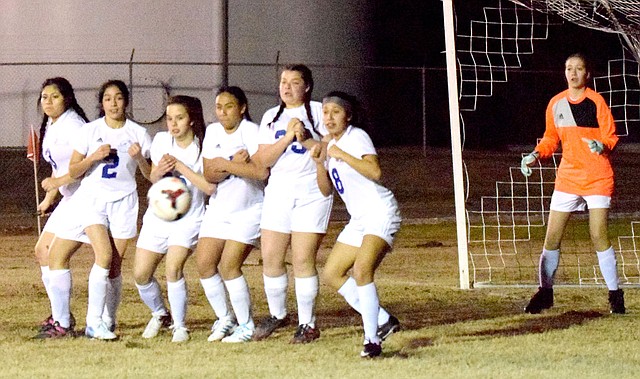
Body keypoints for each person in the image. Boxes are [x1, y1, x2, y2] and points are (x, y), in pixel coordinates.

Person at [46, 79, 153, 339]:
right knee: (103, 256)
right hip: (93, 200)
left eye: (118, 98)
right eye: (107, 99)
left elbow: (151, 175)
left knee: (114, 266)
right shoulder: (90, 131)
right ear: (101, 103)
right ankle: (91, 323)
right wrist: (93, 156)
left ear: (126, 101)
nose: (113, 103)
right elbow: (73, 170)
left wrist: (139, 157)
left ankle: (108, 320)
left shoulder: (139, 133)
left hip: (124, 202)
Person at [520, 52, 625, 314]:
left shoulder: (596, 101)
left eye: (578, 69)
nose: (573, 73)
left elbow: (611, 137)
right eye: (569, 68)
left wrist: (603, 145)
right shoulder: (556, 104)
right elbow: (550, 139)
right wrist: (535, 154)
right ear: (564, 72)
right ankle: (545, 293)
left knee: (598, 234)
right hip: (568, 178)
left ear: (587, 74)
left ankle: (615, 294)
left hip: (597, 177)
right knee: (552, 237)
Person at [310, 91, 401, 358]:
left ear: (348, 116)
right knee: (332, 273)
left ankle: (372, 340)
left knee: (362, 271)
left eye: (335, 112)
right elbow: (326, 191)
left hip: (380, 212)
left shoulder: (356, 136)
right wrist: (319, 164)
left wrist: (341, 154)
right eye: (326, 112)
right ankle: (383, 319)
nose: (329, 117)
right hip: (359, 219)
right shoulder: (329, 144)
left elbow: (375, 172)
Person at [251, 64, 332, 343]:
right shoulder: (271, 116)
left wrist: (306, 138)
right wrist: (287, 137)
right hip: (278, 193)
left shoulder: (321, 111)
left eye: (294, 82)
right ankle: (278, 314)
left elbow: (330, 148)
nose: (286, 87)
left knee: (301, 259)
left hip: (311, 194)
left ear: (307, 86)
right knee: (271, 258)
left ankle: (308, 323)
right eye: (283, 81)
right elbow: (262, 162)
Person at [133, 95, 214, 343]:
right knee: (140, 274)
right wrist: (156, 168)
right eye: (169, 119)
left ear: (192, 119)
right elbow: (153, 177)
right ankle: (160, 314)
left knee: (173, 268)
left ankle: (180, 326)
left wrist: (181, 167)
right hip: (159, 216)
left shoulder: (203, 146)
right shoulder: (160, 141)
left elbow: (208, 187)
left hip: (189, 218)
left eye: (179, 118)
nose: (173, 124)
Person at [196, 86, 268, 343]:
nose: (223, 112)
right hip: (219, 208)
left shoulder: (251, 131)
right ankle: (225, 318)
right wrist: (235, 165)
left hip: (248, 210)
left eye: (228, 106)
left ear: (242, 108)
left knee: (229, 265)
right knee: (204, 263)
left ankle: (247, 325)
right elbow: (208, 174)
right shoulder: (213, 131)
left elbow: (260, 173)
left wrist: (225, 164)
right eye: (219, 107)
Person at [33, 77, 90, 336]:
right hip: (69, 198)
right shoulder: (53, 124)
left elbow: (83, 166)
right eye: (45, 97)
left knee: (55, 255)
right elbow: (60, 166)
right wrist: (49, 198)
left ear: (66, 99)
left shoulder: (75, 126)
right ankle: (60, 315)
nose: (48, 101)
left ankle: (63, 323)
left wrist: (57, 182)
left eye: (54, 96)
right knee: (42, 251)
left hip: (85, 197)